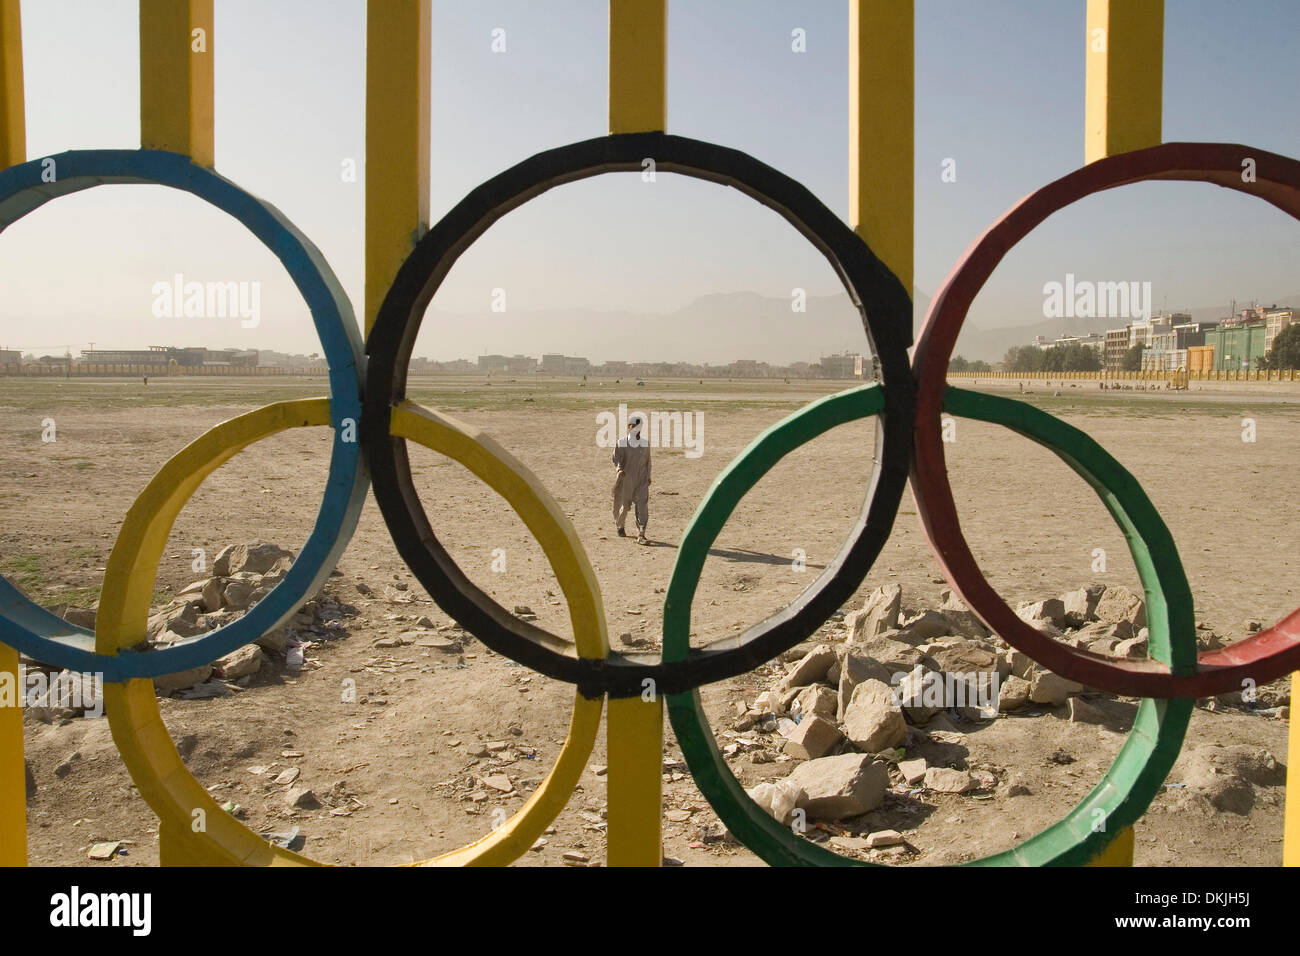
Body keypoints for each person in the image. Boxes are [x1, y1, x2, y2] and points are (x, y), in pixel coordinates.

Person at [612, 414, 651, 544]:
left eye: (637, 427)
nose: (635, 429)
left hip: (641, 479)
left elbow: (648, 462)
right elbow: (616, 458)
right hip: (627, 479)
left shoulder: (645, 444)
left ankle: (641, 533)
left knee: (642, 506)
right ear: (629, 427)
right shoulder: (621, 443)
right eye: (632, 426)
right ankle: (620, 525)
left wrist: (648, 476)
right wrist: (619, 469)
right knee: (625, 507)